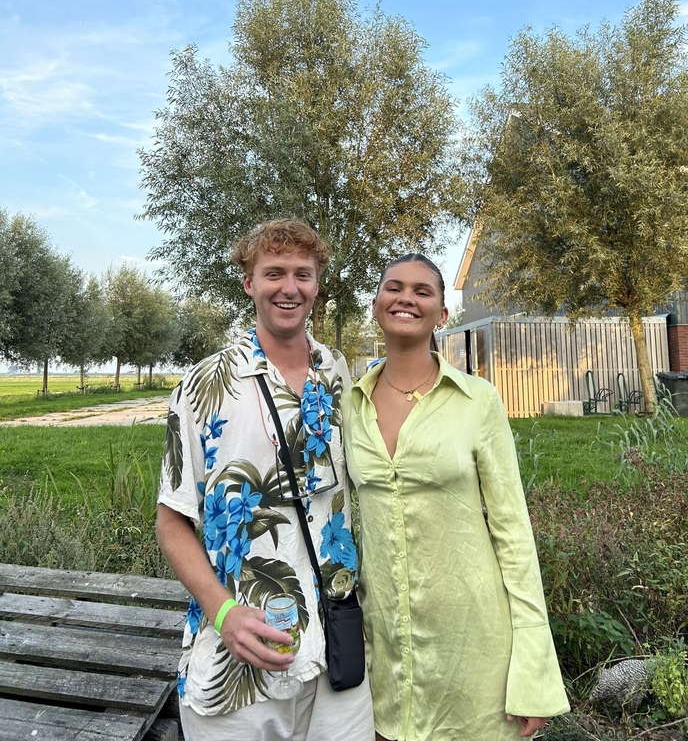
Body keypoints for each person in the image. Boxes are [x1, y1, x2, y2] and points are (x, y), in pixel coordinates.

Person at [157, 219, 374, 741]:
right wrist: (223, 612)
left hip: (338, 652)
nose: (289, 287)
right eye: (273, 273)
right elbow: (171, 521)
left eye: (303, 273)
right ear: (248, 282)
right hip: (239, 663)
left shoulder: (338, 373)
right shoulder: (205, 383)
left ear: (318, 283)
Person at [341, 254, 570, 741]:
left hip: (474, 652)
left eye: (423, 291)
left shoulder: (478, 401)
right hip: (386, 653)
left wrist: (532, 671)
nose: (406, 298)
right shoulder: (348, 405)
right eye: (394, 287)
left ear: (443, 315)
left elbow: (513, 531)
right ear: (376, 305)